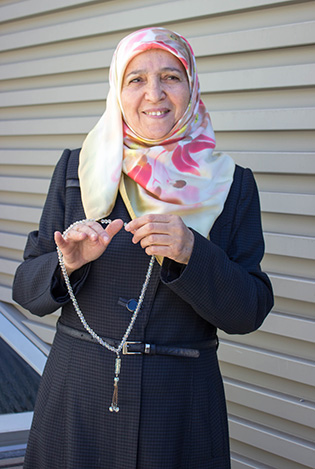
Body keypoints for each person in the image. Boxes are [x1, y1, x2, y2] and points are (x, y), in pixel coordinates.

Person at [12, 27, 273, 469]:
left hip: (179, 412)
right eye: (136, 79)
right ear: (118, 90)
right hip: (78, 403)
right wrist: (65, 265)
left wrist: (193, 252)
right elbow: (25, 291)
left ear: (191, 87)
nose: (155, 93)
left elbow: (249, 310)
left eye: (171, 76)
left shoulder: (232, 185)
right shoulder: (79, 170)